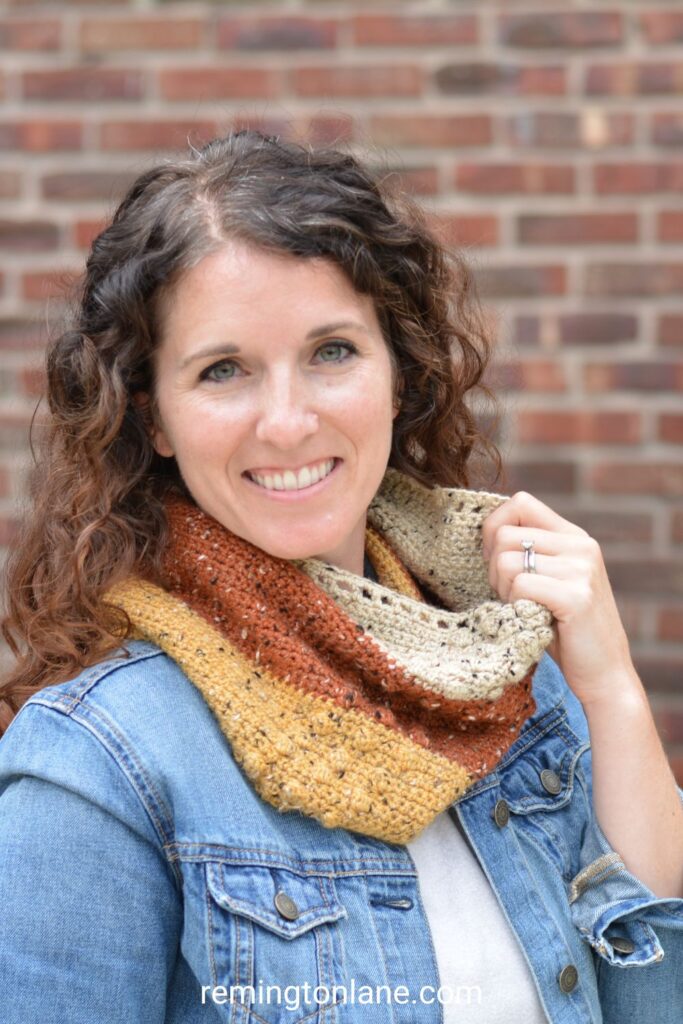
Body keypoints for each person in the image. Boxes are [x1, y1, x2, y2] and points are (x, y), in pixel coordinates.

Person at [0, 130, 681, 1024]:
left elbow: (651, 996)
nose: (287, 422)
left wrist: (610, 693)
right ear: (153, 416)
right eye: (223, 370)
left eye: (331, 352)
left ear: (398, 373)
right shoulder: (96, 765)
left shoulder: (508, 670)